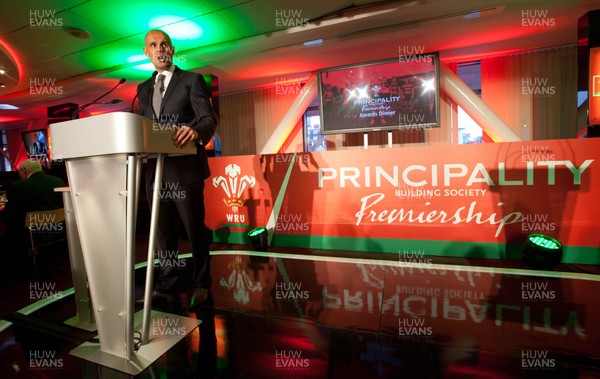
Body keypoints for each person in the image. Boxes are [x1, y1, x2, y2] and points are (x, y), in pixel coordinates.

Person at [137, 29, 217, 310]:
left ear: (172, 49)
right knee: (162, 234)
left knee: (194, 230)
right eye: (153, 45)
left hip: (184, 172)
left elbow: (208, 119)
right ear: (146, 52)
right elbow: (144, 127)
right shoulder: (142, 89)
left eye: (165, 44)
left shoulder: (191, 80)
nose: (160, 49)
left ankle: (202, 284)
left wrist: (195, 131)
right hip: (154, 172)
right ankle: (168, 285)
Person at [0, 161, 66, 273]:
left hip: (34, 234)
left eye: (19, 172)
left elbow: (9, 215)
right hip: (60, 230)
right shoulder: (58, 181)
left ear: (24, 170)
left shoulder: (19, 186)